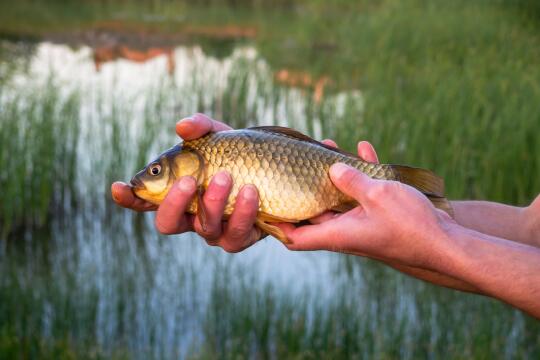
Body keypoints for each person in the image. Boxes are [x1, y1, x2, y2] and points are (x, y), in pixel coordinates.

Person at [111, 113, 540, 318]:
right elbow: (529, 230)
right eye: (154, 172)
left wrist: (443, 241)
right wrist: (426, 229)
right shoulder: (207, 158)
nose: (149, 178)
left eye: (156, 171)